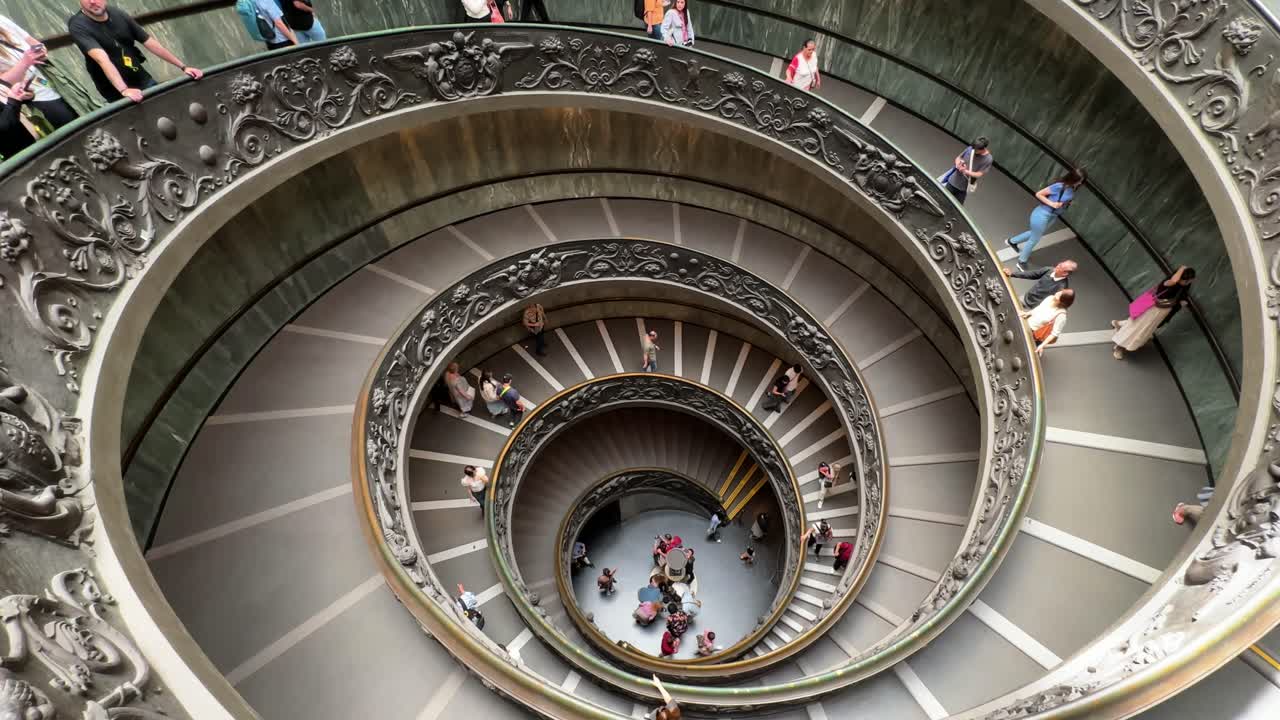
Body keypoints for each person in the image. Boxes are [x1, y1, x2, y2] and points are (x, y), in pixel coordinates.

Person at [68, 0, 202, 103]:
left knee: (167, 107)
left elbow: (149, 42)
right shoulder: (78, 25)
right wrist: (124, 90)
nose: (92, 1)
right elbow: (101, 59)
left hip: (140, 77)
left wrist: (183, 67)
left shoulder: (117, 13)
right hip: (116, 91)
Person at [0, 16, 79, 128]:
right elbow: (3, 83)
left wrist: (40, 50)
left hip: (52, 81)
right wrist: (25, 63)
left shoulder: (2, 20)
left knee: (83, 112)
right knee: (70, 124)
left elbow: (32, 42)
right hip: (31, 96)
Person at [1006, 168, 1087, 269]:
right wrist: (1052, 203)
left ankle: (1012, 241)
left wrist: (1066, 203)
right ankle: (1022, 261)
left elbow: (1063, 200)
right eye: (1079, 180)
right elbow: (1039, 194)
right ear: (1073, 178)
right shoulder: (1059, 186)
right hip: (1042, 214)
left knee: (1035, 233)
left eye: (1081, 181)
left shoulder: (1071, 188)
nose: (1080, 183)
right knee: (1034, 239)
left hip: (1052, 216)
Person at [1111, 266, 1195, 360]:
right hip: (1152, 309)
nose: (1187, 282)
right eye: (1185, 280)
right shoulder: (1169, 283)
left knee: (1143, 328)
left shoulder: (1183, 287)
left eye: (1189, 280)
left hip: (1161, 313)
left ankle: (1119, 324)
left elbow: (1180, 296)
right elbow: (1173, 281)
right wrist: (1182, 269)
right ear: (1178, 277)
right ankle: (1119, 347)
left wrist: (1181, 302)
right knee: (1137, 327)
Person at [1003, 260, 1076, 309]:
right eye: (1060, 264)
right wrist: (1012, 274)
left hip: (1033, 308)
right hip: (1025, 297)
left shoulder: (1062, 287)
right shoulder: (1049, 270)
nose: (1057, 266)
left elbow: (1053, 304)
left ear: (1065, 273)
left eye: (1060, 267)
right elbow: (1032, 274)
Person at [941, 137, 993, 205]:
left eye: (975, 149)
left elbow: (979, 174)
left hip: (963, 189)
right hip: (952, 181)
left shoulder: (988, 159)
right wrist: (958, 164)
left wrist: (965, 171)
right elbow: (958, 158)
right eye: (973, 148)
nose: (973, 150)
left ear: (982, 149)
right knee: (942, 200)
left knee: (957, 207)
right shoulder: (970, 148)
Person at [1022, 289, 1075, 356]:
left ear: (1063, 301)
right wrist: (1028, 313)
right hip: (1027, 323)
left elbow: (1054, 334)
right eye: (1060, 292)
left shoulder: (1061, 315)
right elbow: (1039, 308)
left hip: (1034, 334)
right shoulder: (1050, 298)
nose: (1058, 293)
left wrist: (1042, 345)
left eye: (1061, 295)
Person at [0, 83, 35, 160]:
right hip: (17, 159)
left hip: (32, 143)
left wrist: (24, 95)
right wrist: (14, 100)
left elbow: (6, 106)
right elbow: (4, 126)